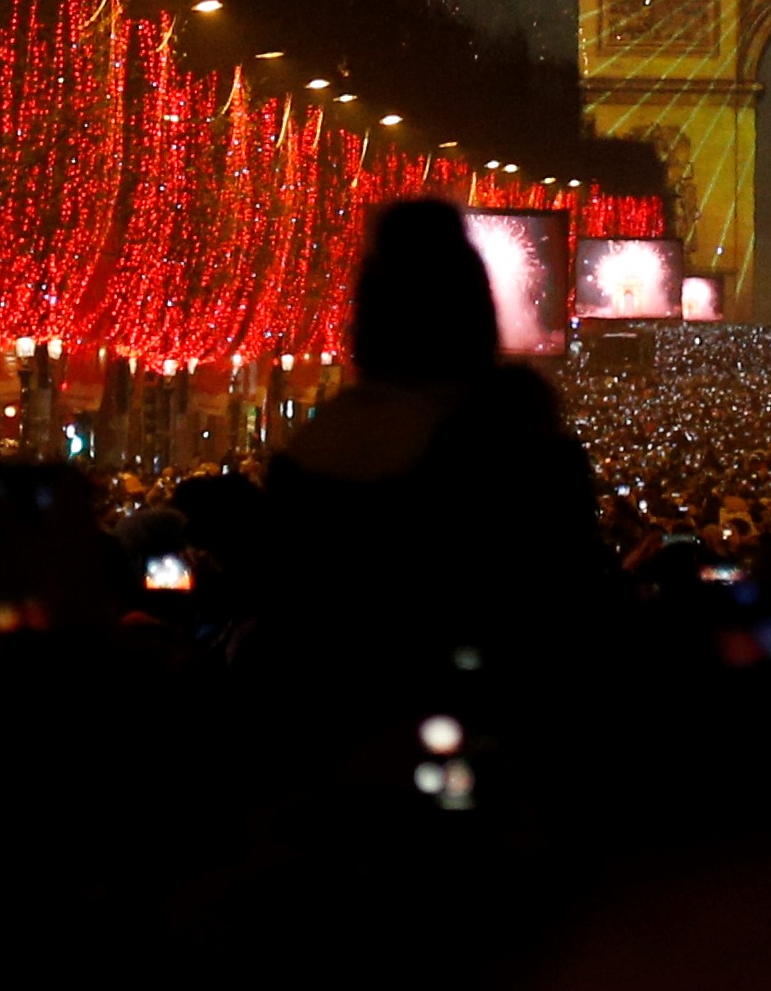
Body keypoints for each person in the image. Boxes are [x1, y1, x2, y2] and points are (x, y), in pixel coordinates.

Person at [256, 200, 605, 709]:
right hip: (497, 715)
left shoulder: (318, 447)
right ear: (476, 307)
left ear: (369, 317)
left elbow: (287, 612)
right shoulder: (519, 440)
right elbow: (567, 610)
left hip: (345, 718)